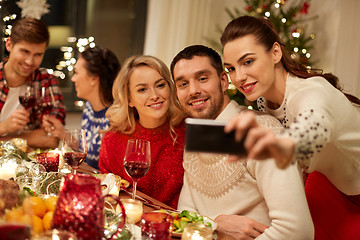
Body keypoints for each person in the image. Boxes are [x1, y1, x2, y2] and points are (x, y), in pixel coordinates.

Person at [221, 16, 360, 239]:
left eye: (247, 62)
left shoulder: (312, 93)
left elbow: (312, 132)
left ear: (275, 52)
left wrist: (274, 146)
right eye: (231, 68)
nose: (239, 77)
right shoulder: (264, 101)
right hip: (327, 183)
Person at [170, 45, 313, 239]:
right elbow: (185, 214)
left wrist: (209, 224)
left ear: (222, 81)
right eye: (183, 84)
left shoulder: (263, 133)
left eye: (202, 78)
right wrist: (215, 223)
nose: (193, 90)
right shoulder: (197, 133)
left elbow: (297, 231)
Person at [99, 55, 185, 208]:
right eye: (142, 89)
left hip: (176, 227)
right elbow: (109, 197)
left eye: (160, 85)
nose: (154, 95)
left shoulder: (187, 132)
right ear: (129, 99)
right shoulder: (113, 141)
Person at [43, 46, 120, 169]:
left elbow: (109, 171)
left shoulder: (117, 117)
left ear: (94, 78)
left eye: (77, 72)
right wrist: (61, 132)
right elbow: (87, 153)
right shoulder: (89, 107)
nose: (73, 79)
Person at [0, 18, 65, 149]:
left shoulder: (46, 81)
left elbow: (51, 138)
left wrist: (4, 140)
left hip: (31, 166)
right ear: (9, 45)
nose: (30, 61)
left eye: (38, 54)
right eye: (25, 51)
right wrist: (4, 127)